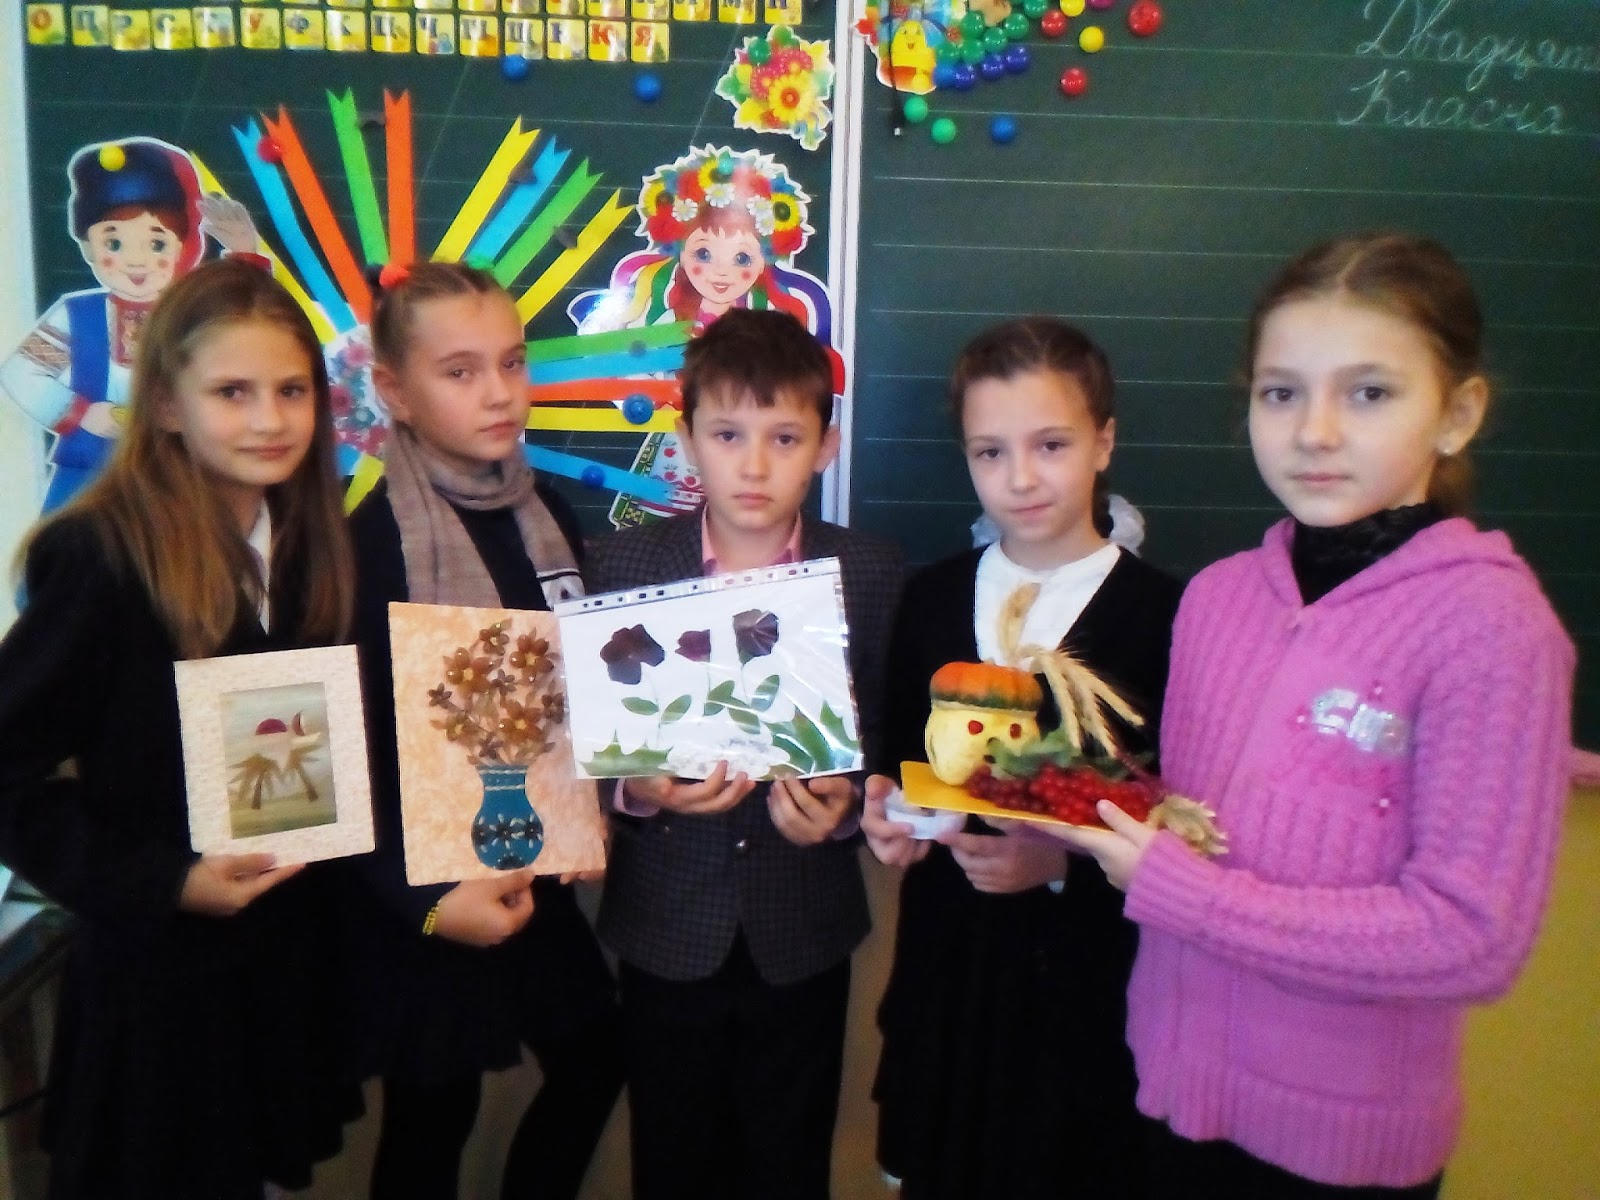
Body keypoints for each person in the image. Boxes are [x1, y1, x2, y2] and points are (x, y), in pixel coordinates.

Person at [1051, 233, 1575, 1199]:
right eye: (1281, 392)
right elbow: (1187, 818)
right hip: (1164, 1085)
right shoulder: (1216, 598)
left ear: (1458, 414)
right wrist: (1044, 810)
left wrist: (1188, 896)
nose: (1315, 432)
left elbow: (1471, 938)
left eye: (1369, 393)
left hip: (1336, 1150)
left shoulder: (1494, 629)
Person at [0, 257, 360, 1199]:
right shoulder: (101, 555)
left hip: (277, 982)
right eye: (232, 392)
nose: (269, 419)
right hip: (160, 990)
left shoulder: (312, 546)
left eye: (291, 391)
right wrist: (165, 880)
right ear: (165, 404)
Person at [860, 316, 1181, 1198]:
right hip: (946, 980)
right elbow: (901, 760)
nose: (1022, 477)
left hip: (1083, 999)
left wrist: (1059, 866)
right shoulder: (931, 598)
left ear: (1103, 442)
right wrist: (887, 819)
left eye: (1052, 445)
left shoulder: (1164, 615)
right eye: (990, 452)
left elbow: (1177, 809)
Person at [586, 306, 903, 1200]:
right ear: (687, 438)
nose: (755, 465)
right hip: (665, 927)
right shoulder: (619, 566)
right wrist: (638, 788)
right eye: (727, 434)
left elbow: (882, 739)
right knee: (672, 1160)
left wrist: (845, 807)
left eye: (784, 437)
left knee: (788, 1162)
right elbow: (584, 746)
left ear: (826, 446)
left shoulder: (870, 572)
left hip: (802, 929)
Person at [344, 261, 622, 1200]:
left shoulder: (551, 517)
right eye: (460, 372)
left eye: (511, 362)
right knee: (434, 1114)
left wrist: (591, 804)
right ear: (395, 392)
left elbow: (575, 690)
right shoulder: (367, 543)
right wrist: (423, 901)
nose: (499, 393)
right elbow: (352, 754)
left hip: (534, 867)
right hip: (424, 893)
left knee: (594, 1060)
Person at [0, 137, 260, 513]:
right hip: (89, 471)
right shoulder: (76, 315)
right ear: (88, 247)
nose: (136, 261)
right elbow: (20, 372)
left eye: (156, 244)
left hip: (176, 472)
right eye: (114, 244)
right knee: (70, 545)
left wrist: (245, 254)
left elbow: (250, 336)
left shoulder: (191, 312)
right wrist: (80, 412)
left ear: (182, 245)